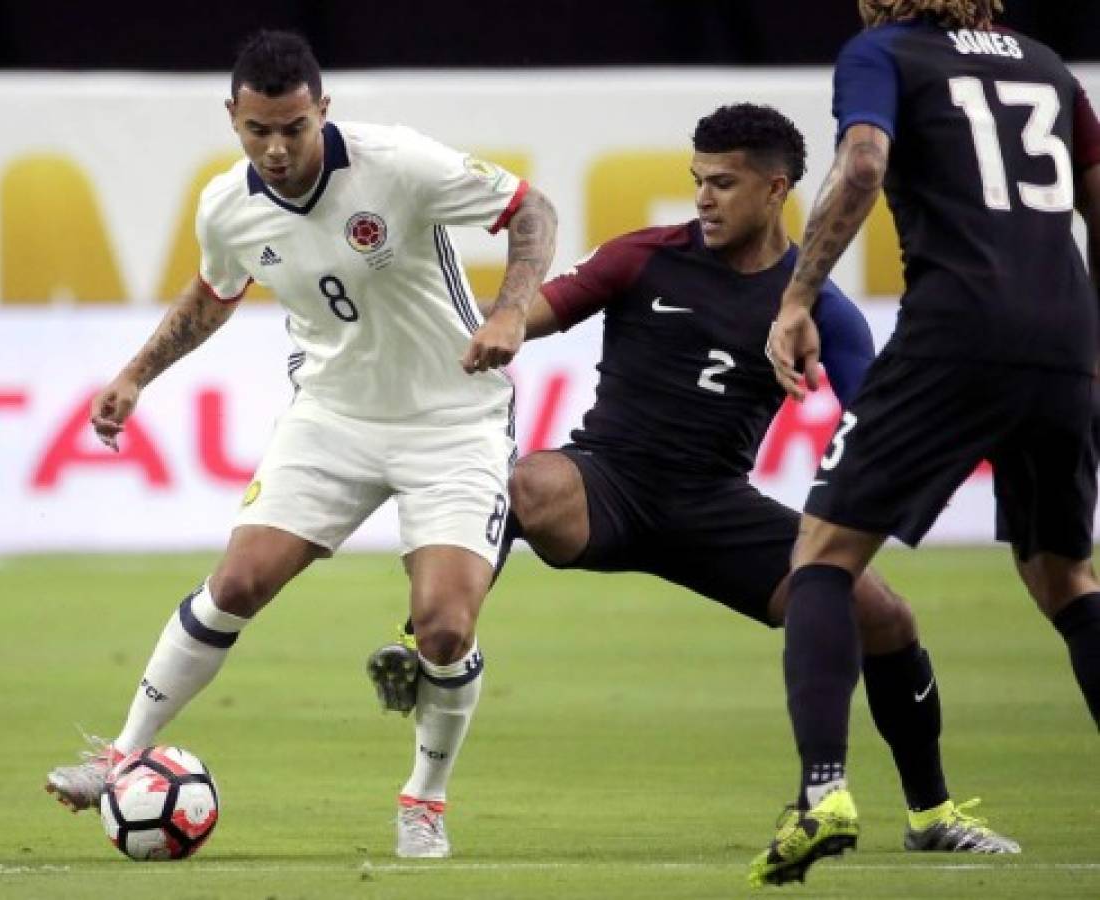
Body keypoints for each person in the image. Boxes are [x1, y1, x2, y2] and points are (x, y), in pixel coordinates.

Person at [368, 102, 1019, 858]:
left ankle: (930, 814)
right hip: (606, 483)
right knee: (525, 484)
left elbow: (875, 423)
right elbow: (526, 316)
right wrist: (501, 324)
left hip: (714, 508)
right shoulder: (642, 255)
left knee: (884, 617)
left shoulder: (817, 310)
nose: (703, 199)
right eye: (696, 181)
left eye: (724, 183)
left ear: (777, 190)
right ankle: (430, 645)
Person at [44, 28, 557, 860]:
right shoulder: (225, 204)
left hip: (451, 417)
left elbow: (530, 209)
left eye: (294, 127)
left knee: (443, 631)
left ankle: (422, 802)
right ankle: (120, 755)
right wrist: (136, 374)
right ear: (233, 119)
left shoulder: (397, 162)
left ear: (323, 109)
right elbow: (213, 296)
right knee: (236, 581)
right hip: (333, 417)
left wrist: (508, 309)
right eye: (258, 131)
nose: (277, 148)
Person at [752, 0, 1100, 886]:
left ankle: (823, 791)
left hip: (955, 331)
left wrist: (797, 299)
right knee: (1065, 576)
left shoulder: (882, 52)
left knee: (823, 555)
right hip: (1065, 340)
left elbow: (863, 163)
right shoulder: (1045, 63)